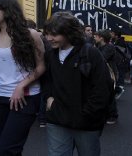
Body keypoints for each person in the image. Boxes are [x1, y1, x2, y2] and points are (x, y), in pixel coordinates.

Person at [43, 12, 111, 156]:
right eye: (47, 34)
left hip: (86, 123)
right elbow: (46, 79)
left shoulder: (90, 53)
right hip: (57, 120)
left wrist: (86, 114)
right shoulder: (50, 54)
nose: (49, 39)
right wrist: (49, 99)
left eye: (54, 35)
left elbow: (102, 88)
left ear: (69, 33)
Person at [0, 0, 45, 155]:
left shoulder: (31, 35)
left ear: (6, 11)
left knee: (8, 149)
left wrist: (21, 86)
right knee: (7, 146)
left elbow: (41, 66)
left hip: (25, 97)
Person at [93, 29, 119, 124]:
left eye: (96, 36)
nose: (94, 37)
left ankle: (112, 115)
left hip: (110, 74)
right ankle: (106, 114)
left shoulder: (109, 47)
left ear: (101, 38)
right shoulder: (100, 47)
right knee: (104, 94)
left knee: (110, 95)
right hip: (104, 74)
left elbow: (101, 58)